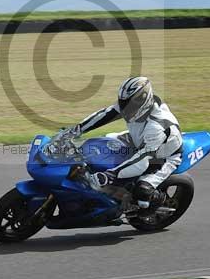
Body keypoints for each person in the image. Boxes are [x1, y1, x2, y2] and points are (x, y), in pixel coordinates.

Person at [63, 76, 182, 212]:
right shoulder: (131, 105)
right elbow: (104, 115)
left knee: (141, 190)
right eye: (123, 103)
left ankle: (156, 199)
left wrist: (110, 175)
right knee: (97, 149)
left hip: (162, 156)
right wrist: (75, 130)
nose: (124, 108)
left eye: (128, 105)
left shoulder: (156, 126)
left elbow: (142, 160)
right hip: (137, 140)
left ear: (143, 101)